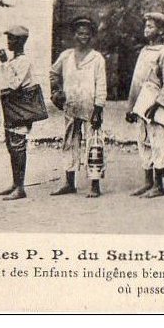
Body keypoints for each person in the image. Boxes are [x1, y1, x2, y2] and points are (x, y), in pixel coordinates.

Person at [50, 17, 107, 198]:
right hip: (71, 106)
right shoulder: (66, 56)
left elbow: (101, 85)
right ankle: (69, 182)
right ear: (74, 35)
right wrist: (56, 92)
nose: (84, 36)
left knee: (94, 144)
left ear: (92, 36)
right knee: (70, 142)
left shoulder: (97, 58)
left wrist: (98, 109)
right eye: (80, 33)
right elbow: (53, 73)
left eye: (87, 34)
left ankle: (94, 184)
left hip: (91, 108)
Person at [126, 13, 164, 198]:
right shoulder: (144, 51)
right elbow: (136, 82)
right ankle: (147, 181)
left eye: (151, 26)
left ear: (161, 30)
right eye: (146, 26)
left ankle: (158, 184)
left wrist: (157, 105)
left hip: (155, 106)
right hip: (141, 105)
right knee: (143, 140)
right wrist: (131, 107)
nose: (147, 30)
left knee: (158, 142)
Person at [0, 25, 34, 201]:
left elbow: (14, 84)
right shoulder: (14, 62)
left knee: (18, 146)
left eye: (11, 39)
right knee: (11, 146)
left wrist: (4, 63)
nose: (8, 42)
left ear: (20, 41)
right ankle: (15, 183)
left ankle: (20, 187)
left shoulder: (24, 61)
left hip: (20, 109)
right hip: (10, 108)